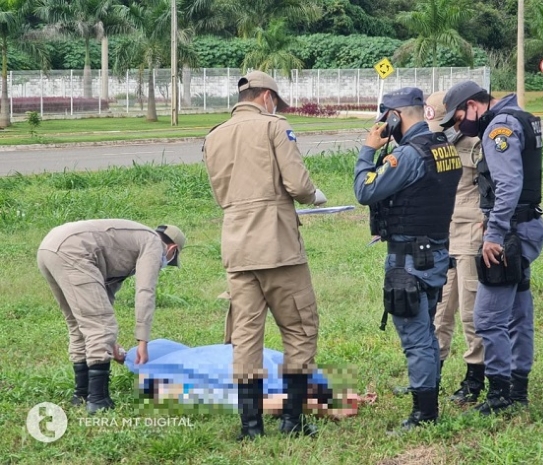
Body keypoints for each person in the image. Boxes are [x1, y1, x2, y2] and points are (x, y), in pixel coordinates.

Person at [203, 70, 328, 440]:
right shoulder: (275, 126)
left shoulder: (214, 135)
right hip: (277, 247)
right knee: (300, 328)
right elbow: (298, 184)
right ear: (267, 98)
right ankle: (292, 420)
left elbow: (221, 192)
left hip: (237, 248)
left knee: (245, 337)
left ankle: (250, 425)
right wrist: (314, 195)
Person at [353, 87, 462, 430]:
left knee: (415, 336)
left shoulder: (410, 155)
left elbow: (365, 190)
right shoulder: (443, 147)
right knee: (426, 331)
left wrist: (368, 150)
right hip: (436, 253)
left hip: (409, 261)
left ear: (396, 116)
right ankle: (428, 397)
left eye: (386, 120)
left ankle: (424, 413)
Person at [439, 81, 543, 415]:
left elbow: (509, 182)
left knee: (486, 317)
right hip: (525, 227)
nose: (459, 126)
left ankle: (500, 393)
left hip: (511, 233)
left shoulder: (498, 126)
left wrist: (495, 234)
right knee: (517, 313)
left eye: (458, 118)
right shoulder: (522, 117)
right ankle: (518, 392)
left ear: (473, 105)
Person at [37, 219, 186, 414]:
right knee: (100, 325)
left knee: (78, 322)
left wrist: (111, 343)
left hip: (49, 247)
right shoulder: (153, 244)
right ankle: (98, 400)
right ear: (172, 249)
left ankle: (81, 394)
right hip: (74, 250)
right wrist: (143, 341)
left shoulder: (131, 241)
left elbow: (105, 293)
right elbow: (145, 292)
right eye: (170, 259)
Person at [114, 339, 364, 420]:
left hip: (245, 373)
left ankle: (317, 401)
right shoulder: (174, 361)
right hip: (259, 371)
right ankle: (319, 400)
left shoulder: (171, 365)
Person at [425, 91, 486, 405]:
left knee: (472, 312)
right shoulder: (436, 144)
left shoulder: (476, 145)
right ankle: (430, 378)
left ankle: (474, 378)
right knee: (440, 311)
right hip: (443, 237)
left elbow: (496, 188)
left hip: (471, 233)